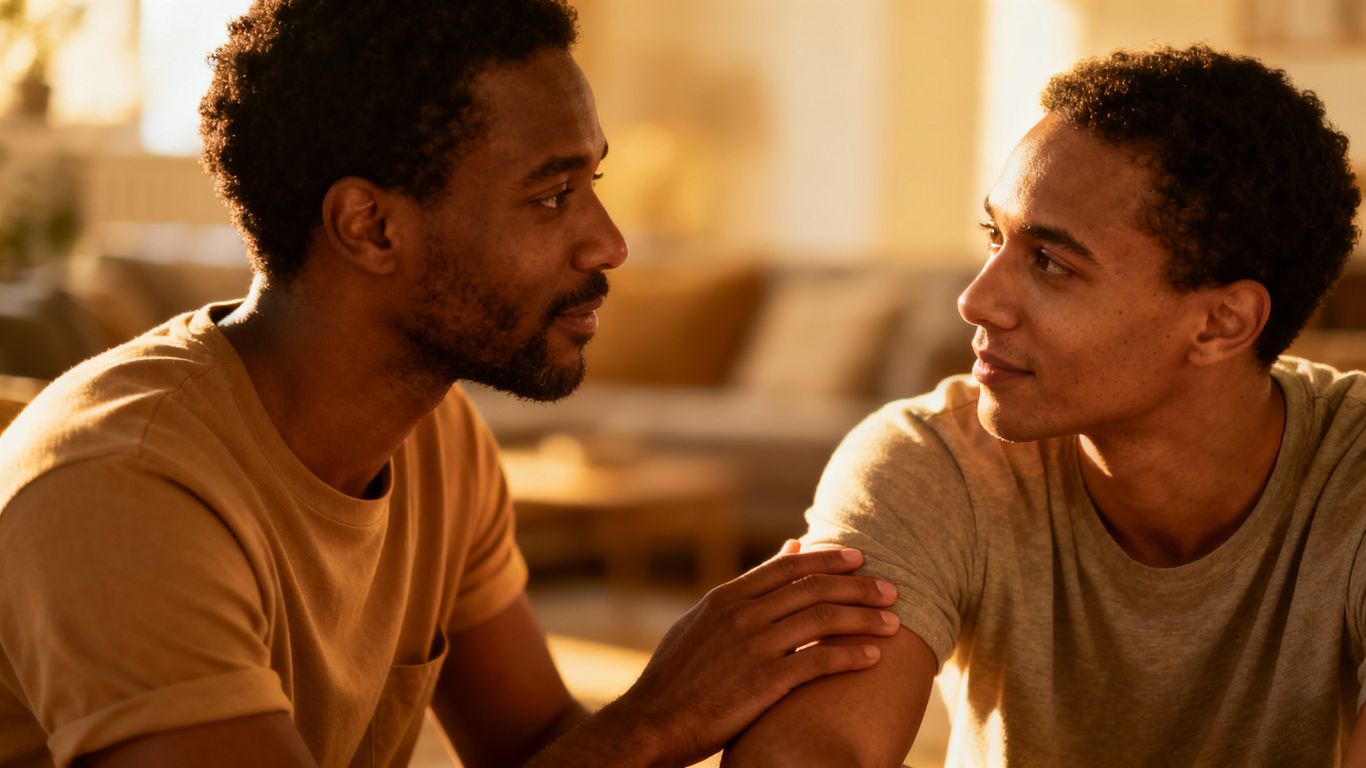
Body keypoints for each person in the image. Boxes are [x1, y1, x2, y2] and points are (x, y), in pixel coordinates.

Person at [0, 2, 904, 766]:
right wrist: (658, 715)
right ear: (372, 227)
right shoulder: (122, 486)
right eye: (552, 195)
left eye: (592, 182)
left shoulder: (434, 435)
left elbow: (539, 744)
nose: (609, 243)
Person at [723, 45, 1364, 767]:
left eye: (1052, 263)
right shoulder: (929, 462)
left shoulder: (1352, 474)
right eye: (995, 236)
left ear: (1220, 323)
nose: (977, 299)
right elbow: (807, 753)